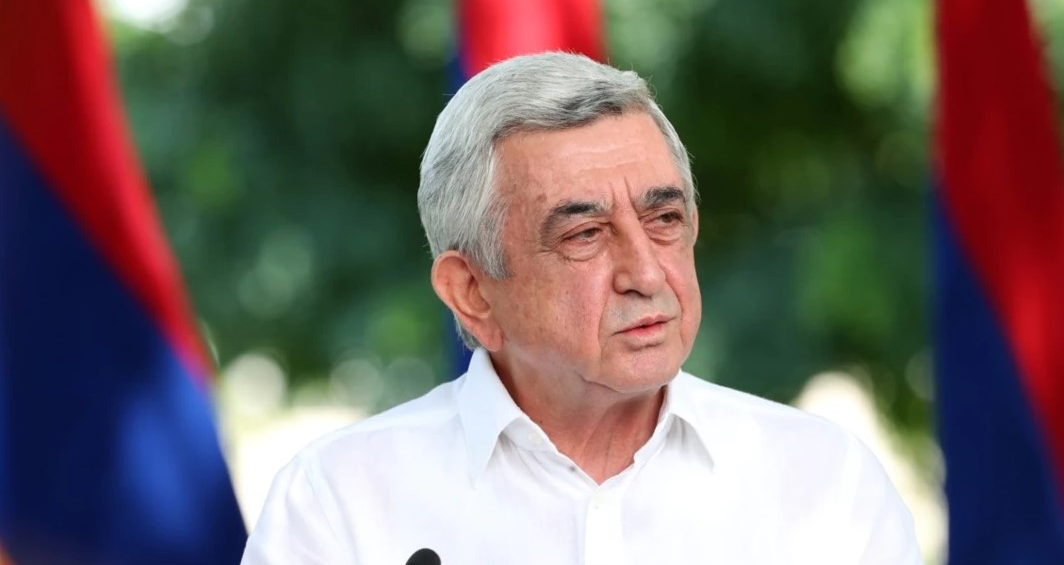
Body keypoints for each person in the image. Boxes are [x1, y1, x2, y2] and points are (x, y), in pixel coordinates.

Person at [241, 52, 921, 564]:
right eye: (585, 234)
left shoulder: (824, 483)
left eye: (664, 219)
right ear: (472, 292)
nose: (646, 273)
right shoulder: (340, 502)